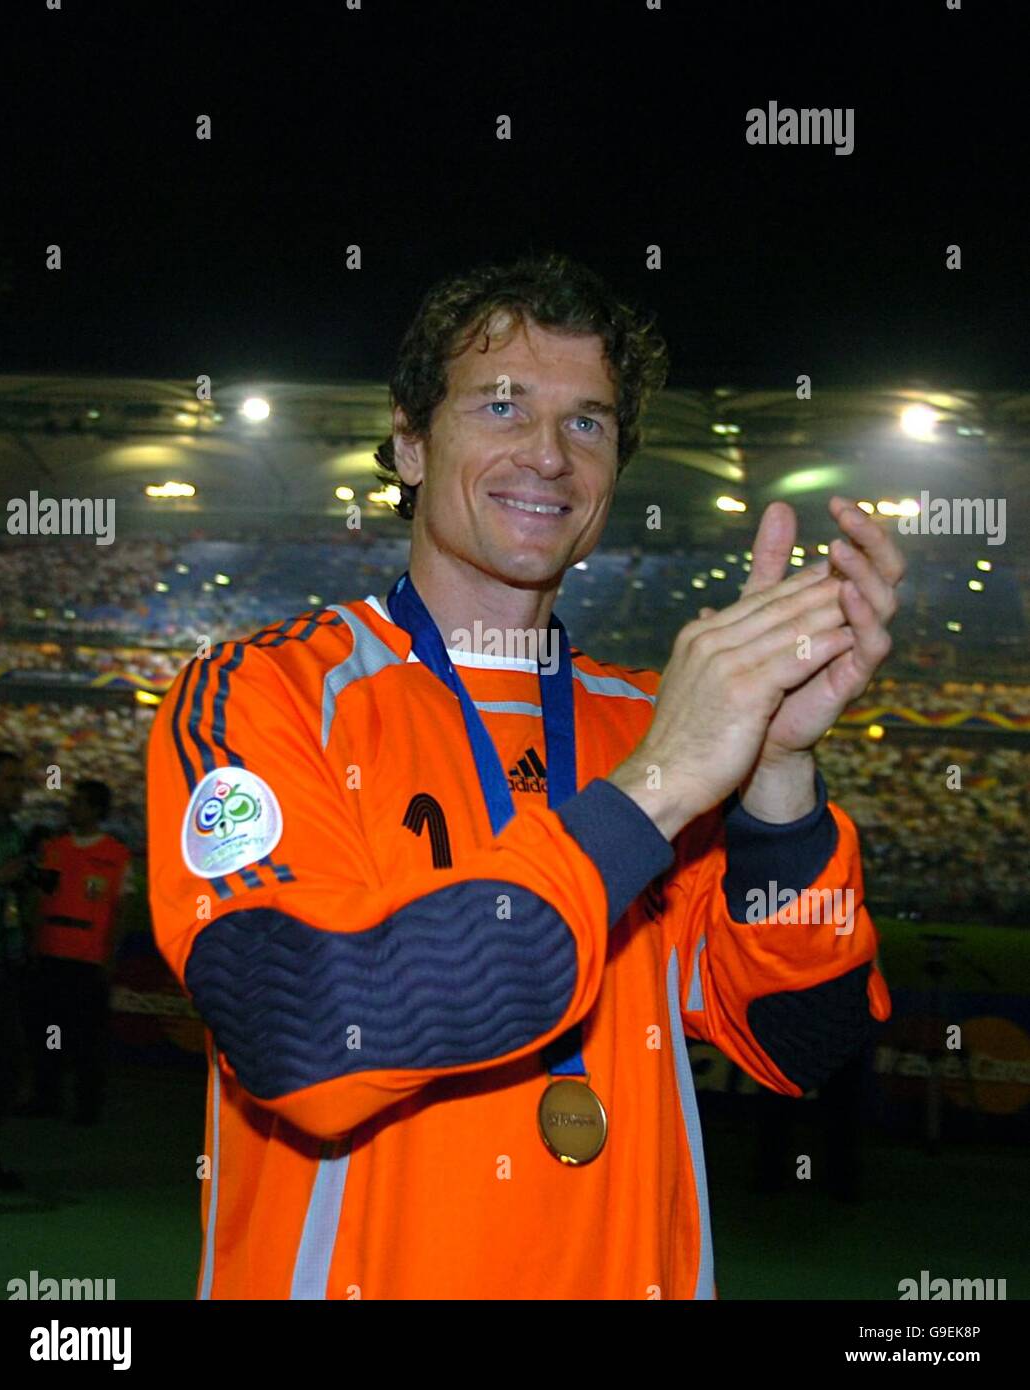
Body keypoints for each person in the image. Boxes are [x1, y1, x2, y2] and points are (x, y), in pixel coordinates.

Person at [147, 252, 901, 1299]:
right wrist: (659, 787)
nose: (548, 455)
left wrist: (778, 777)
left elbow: (801, 1041)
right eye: (502, 405)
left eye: (587, 421)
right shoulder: (262, 694)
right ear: (410, 443)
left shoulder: (653, 721)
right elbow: (305, 1035)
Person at [26, 781, 131, 1124]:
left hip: (89, 959)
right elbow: (41, 900)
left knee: (87, 1037)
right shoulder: (55, 849)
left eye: (80, 803)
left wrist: (110, 956)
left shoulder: (116, 855)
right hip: (52, 953)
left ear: (97, 810)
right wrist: (33, 943)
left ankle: (87, 1104)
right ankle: (47, 1096)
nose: (72, 808)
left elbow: (120, 911)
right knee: (50, 1031)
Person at [0, 750, 30, 1190]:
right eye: (11, 780)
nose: (19, 789)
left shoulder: (15, 835)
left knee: (3, 1064)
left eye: (22, 780)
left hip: (1, 965)